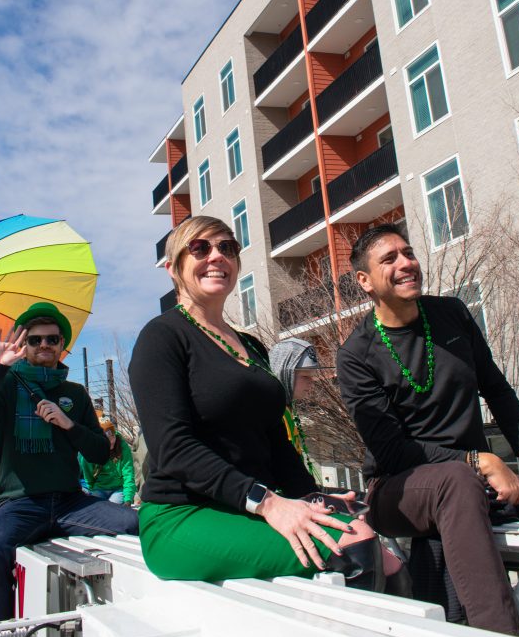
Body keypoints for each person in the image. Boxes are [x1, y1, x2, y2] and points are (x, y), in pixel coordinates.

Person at [337, 223, 519, 637]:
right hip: (398, 489)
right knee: (456, 481)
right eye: (389, 259)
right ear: (364, 281)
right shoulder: (356, 355)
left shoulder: (451, 314)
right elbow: (391, 451)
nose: (406, 263)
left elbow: (496, 389)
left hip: (476, 478)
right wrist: (477, 460)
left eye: (408, 253)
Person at [129, 215, 382, 591]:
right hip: (182, 516)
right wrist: (267, 503)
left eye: (227, 248)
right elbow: (174, 449)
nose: (216, 256)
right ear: (173, 268)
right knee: (353, 545)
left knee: (373, 534)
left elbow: (273, 440)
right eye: (200, 248)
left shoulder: (251, 345)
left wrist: (311, 495)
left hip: (249, 508)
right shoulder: (161, 338)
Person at [0, 301, 139, 637]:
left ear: (63, 346)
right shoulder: (5, 386)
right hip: (20, 503)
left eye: (51, 339)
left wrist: (67, 425)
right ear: (22, 344)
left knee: (135, 525)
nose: (43, 345)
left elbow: (100, 451)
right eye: (34, 339)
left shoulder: (74, 395)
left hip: (71, 501)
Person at [80, 420, 136, 505]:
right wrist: (91, 490)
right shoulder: (90, 451)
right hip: (99, 488)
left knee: (114, 508)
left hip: (118, 489)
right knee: (98, 508)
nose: (111, 441)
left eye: (113, 436)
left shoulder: (122, 447)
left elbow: (128, 473)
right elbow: (88, 476)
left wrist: (128, 498)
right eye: (107, 440)